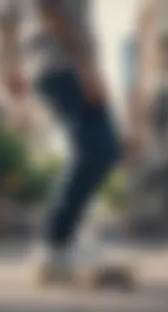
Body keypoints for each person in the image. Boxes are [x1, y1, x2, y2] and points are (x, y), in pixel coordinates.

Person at [26, 0, 142, 282]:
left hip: (63, 66)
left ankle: (61, 240)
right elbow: (50, 8)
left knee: (101, 150)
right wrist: (86, 68)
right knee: (98, 150)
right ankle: (57, 243)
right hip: (65, 66)